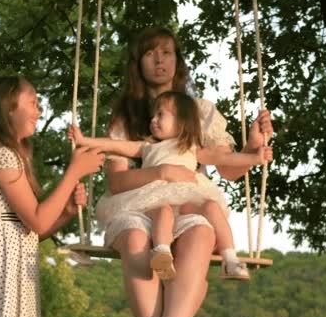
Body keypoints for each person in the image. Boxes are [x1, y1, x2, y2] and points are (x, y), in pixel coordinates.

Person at [99, 26, 274, 317]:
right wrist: (162, 171)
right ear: (138, 64)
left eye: (166, 53)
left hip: (188, 203)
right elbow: (117, 183)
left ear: (177, 61)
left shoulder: (200, 112)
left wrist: (253, 147)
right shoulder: (126, 117)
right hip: (135, 206)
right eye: (149, 54)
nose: (158, 60)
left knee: (201, 233)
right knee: (137, 238)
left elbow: (228, 169)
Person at [0, 76, 105, 317]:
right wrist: (73, 172)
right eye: (33, 103)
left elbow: (32, 230)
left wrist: (65, 212)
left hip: (11, 264)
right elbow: (38, 219)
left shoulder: (4, 155)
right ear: (9, 108)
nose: (39, 111)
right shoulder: (1, 155)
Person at [69, 91, 272, 280]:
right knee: (163, 211)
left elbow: (225, 159)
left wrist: (255, 158)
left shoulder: (193, 148)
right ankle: (162, 253)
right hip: (157, 196)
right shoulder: (147, 147)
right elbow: (114, 145)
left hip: (188, 198)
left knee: (211, 206)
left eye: (160, 115)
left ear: (182, 122)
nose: (153, 120)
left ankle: (231, 259)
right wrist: (83, 140)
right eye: (153, 116)